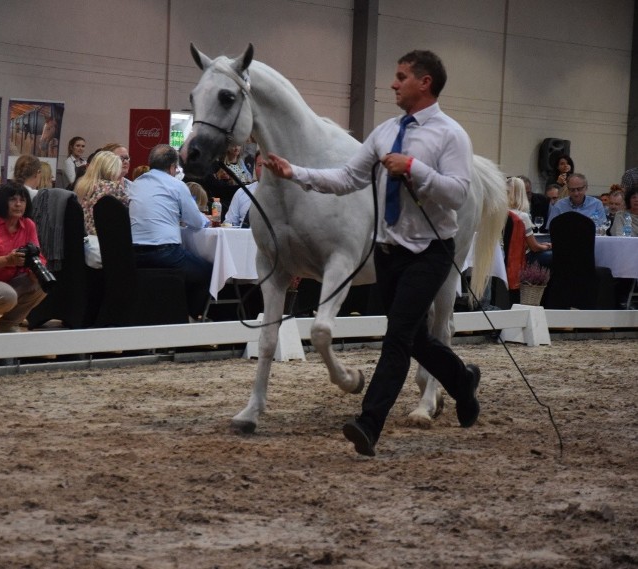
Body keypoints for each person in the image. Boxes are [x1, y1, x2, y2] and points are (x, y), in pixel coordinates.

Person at [264, 49, 481, 456]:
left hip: (430, 251)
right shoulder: (384, 132)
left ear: (425, 82)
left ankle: (369, 423)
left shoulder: (451, 134)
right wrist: (297, 174)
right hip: (388, 252)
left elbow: (458, 193)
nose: (394, 84)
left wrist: (415, 168)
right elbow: (348, 178)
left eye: (401, 77)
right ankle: (462, 380)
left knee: (397, 337)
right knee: (414, 337)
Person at [129, 144, 212, 320]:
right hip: (165, 254)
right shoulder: (176, 185)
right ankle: (190, 316)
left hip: (134, 254)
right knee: (209, 271)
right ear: (173, 167)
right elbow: (196, 221)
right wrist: (207, 221)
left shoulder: (135, 184)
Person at [0, 182, 48, 333]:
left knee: (43, 282)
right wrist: (7, 260)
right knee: (7, 295)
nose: (18, 204)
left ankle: (8, 325)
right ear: (3, 202)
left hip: (10, 281)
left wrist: (35, 271)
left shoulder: (28, 225)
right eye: (13, 200)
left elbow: (38, 255)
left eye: (22, 200)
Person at [75, 151, 127, 236]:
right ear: (112, 169)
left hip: (84, 241)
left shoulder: (82, 185)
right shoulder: (115, 187)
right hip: (105, 242)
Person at [507, 177, 551, 267]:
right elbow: (534, 247)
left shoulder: (500, 213)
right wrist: (548, 246)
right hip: (520, 257)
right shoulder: (522, 216)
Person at [225, 153, 263, 227]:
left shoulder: (283, 196)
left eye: (267, 165)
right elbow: (229, 224)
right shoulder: (242, 192)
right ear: (255, 168)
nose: (264, 169)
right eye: (260, 165)